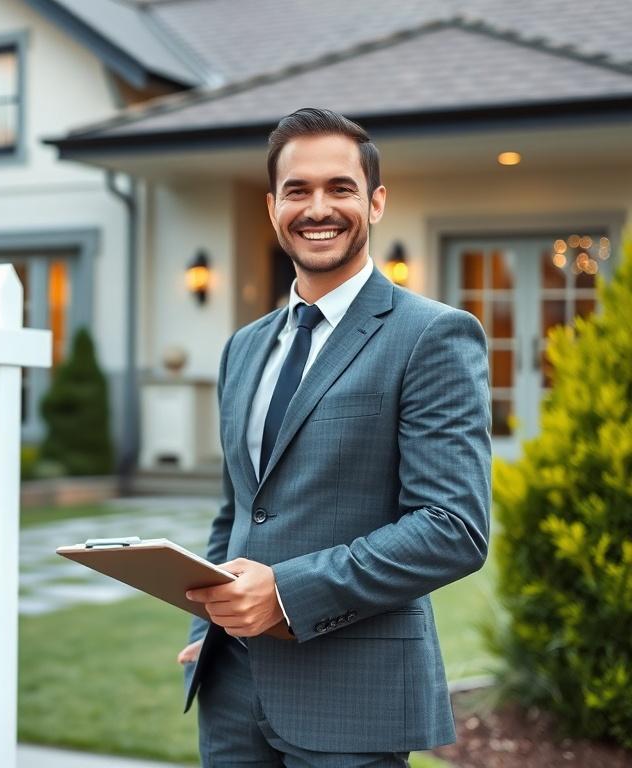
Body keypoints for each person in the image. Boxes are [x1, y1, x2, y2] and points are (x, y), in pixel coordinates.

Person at [177, 107, 491, 767]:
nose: (318, 207)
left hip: (353, 698)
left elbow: (451, 527)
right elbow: (238, 507)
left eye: (339, 188)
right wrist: (209, 616)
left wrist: (285, 592)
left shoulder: (431, 335)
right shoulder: (244, 346)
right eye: (298, 190)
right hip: (231, 689)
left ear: (375, 202)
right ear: (272, 207)